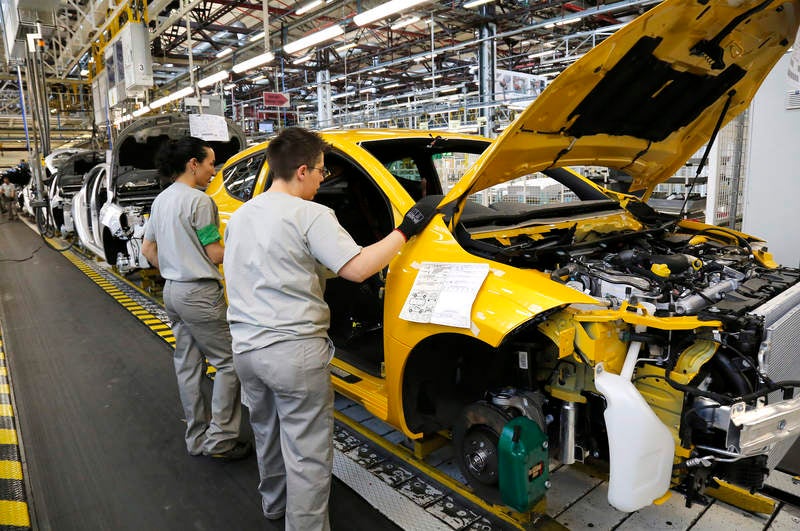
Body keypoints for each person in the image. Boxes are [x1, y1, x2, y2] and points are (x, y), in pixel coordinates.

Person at [223, 127, 438, 529]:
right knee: (307, 451)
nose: (324, 179)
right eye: (321, 171)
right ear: (301, 170)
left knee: (267, 432)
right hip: (292, 352)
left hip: (246, 349)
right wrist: (406, 229)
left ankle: (274, 505)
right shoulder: (311, 214)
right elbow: (357, 268)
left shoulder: (242, 216)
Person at [141, 136, 250, 461]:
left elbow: (148, 249)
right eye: (210, 163)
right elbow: (215, 253)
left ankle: (197, 438)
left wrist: (176, 267)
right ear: (193, 164)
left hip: (173, 291)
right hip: (199, 294)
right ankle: (221, 441)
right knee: (229, 364)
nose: (213, 171)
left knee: (188, 365)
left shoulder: (161, 200)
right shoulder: (200, 202)